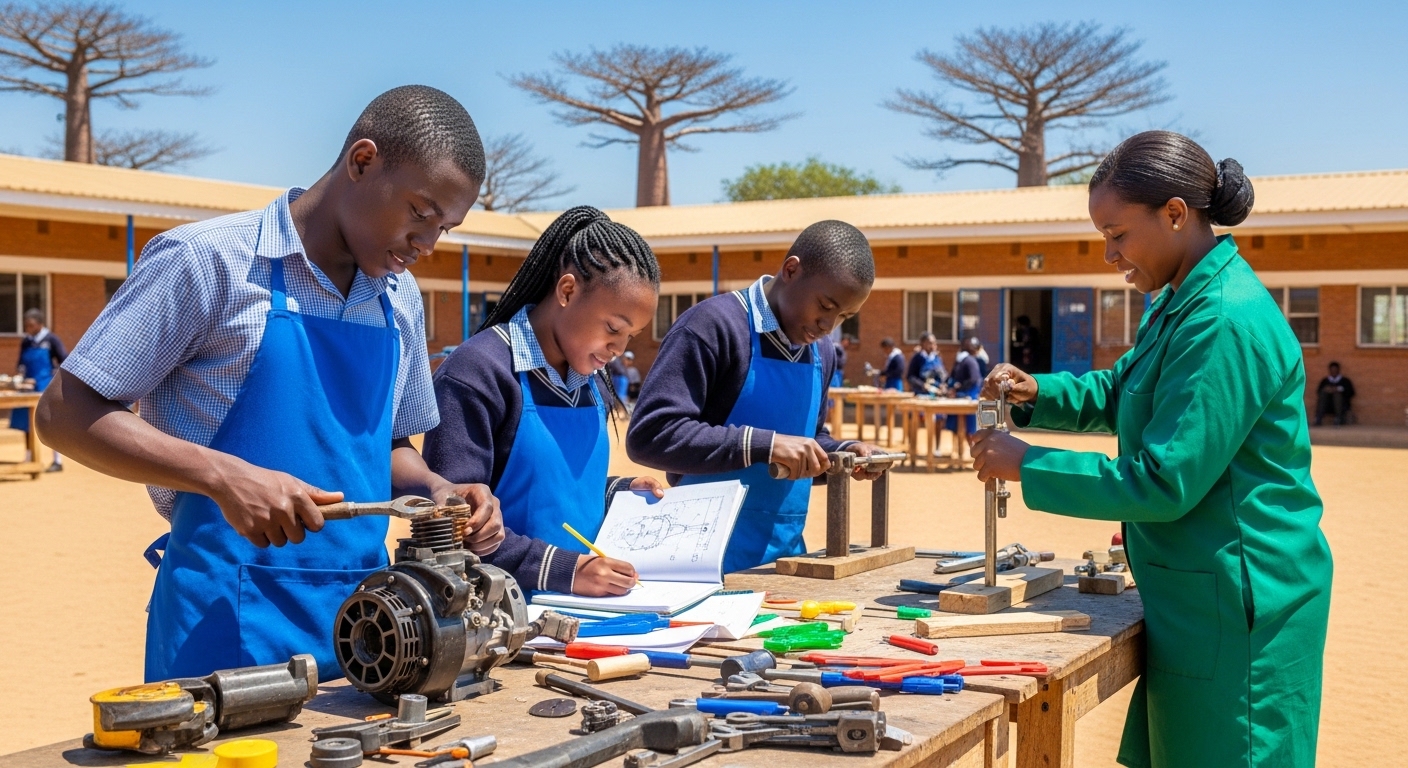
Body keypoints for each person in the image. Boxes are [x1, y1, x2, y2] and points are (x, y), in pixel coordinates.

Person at [36, 86, 505, 682]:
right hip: (224, 624)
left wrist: (440, 488)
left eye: (445, 227)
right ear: (362, 162)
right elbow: (62, 413)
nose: (427, 245)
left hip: (372, 631)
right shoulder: (206, 263)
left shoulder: (398, 299)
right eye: (420, 212)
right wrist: (222, 475)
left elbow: (385, 448)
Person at [969, 131, 1331, 767]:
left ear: (1174, 214)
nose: (1108, 254)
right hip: (1199, 592)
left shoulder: (1221, 319)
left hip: (1240, 599)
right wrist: (1037, 394)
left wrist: (1026, 463)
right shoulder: (1179, 302)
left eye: (1117, 235)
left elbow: (1164, 481)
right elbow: (1127, 389)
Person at [625, 220, 890, 573]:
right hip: (698, 563)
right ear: (791, 270)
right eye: (825, 306)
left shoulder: (821, 352)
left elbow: (806, 441)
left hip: (785, 561)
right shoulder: (714, 327)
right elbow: (650, 434)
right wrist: (763, 444)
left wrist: (843, 455)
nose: (830, 325)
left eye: (846, 316)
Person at [424, 207, 662, 597]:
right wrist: (566, 570)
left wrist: (615, 491)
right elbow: (455, 528)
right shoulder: (478, 373)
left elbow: (553, 490)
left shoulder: (592, 383)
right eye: (613, 328)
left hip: (590, 611)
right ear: (567, 291)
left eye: (631, 336)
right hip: (497, 619)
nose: (619, 348)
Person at [11, 308, 66, 471]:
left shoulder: (51, 339)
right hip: (28, 387)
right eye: (26, 325)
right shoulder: (26, 341)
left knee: (50, 422)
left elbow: (64, 361)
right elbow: (20, 363)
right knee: (24, 421)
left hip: (45, 385)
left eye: (31, 325)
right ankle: (29, 456)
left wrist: (53, 374)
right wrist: (21, 373)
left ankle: (57, 460)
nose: (28, 328)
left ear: (40, 324)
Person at [943, 337, 983, 438]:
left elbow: (973, 379)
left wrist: (956, 388)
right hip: (964, 395)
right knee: (964, 427)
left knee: (967, 428)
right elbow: (972, 379)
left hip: (967, 395)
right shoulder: (967, 360)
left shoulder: (966, 360)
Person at [1314, 362, 1355, 426]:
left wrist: (1339, 389)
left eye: (1335, 370)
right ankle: (1318, 418)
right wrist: (1327, 390)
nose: (1334, 372)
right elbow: (1318, 392)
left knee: (1337, 395)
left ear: (1338, 370)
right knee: (1323, 392)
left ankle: (1338, 418)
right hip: (1327, 405)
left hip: (1342, 405)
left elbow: (1351, 392)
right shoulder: (1325, 381)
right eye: (1332, 370)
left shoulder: (1345, 381)